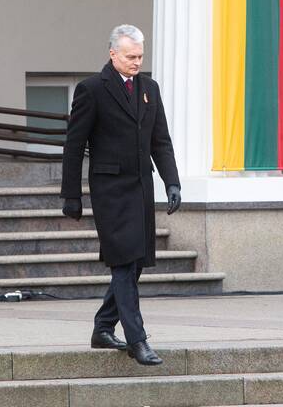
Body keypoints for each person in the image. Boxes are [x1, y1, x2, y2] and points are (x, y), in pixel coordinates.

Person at [60, 24, 181, 366]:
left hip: (141, 188)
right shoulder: (92, 89)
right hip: (110, 190)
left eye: (140, 56)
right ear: (113, 53)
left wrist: (172, 182)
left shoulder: (149, 88)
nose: (136, 62)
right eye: (130, 56)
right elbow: (74, 144)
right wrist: (71, 195)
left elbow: (161, 140)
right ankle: (137, 340)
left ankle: (102, 328)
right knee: (124, 262)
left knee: (135, 263)